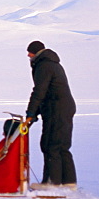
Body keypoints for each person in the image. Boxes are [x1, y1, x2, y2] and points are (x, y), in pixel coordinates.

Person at [24, 40, 77, 189]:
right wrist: (34, 114)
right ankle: (68, 182)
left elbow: (39, 91)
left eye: (30, 52)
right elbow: (47, 91)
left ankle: (51, 182)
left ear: (36, 52)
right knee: (62, 145)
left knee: (50, 144)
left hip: (57, 108)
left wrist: (30, 113)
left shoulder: (44, 65)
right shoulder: (52, 64)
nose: (28, 55)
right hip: (63, 107)